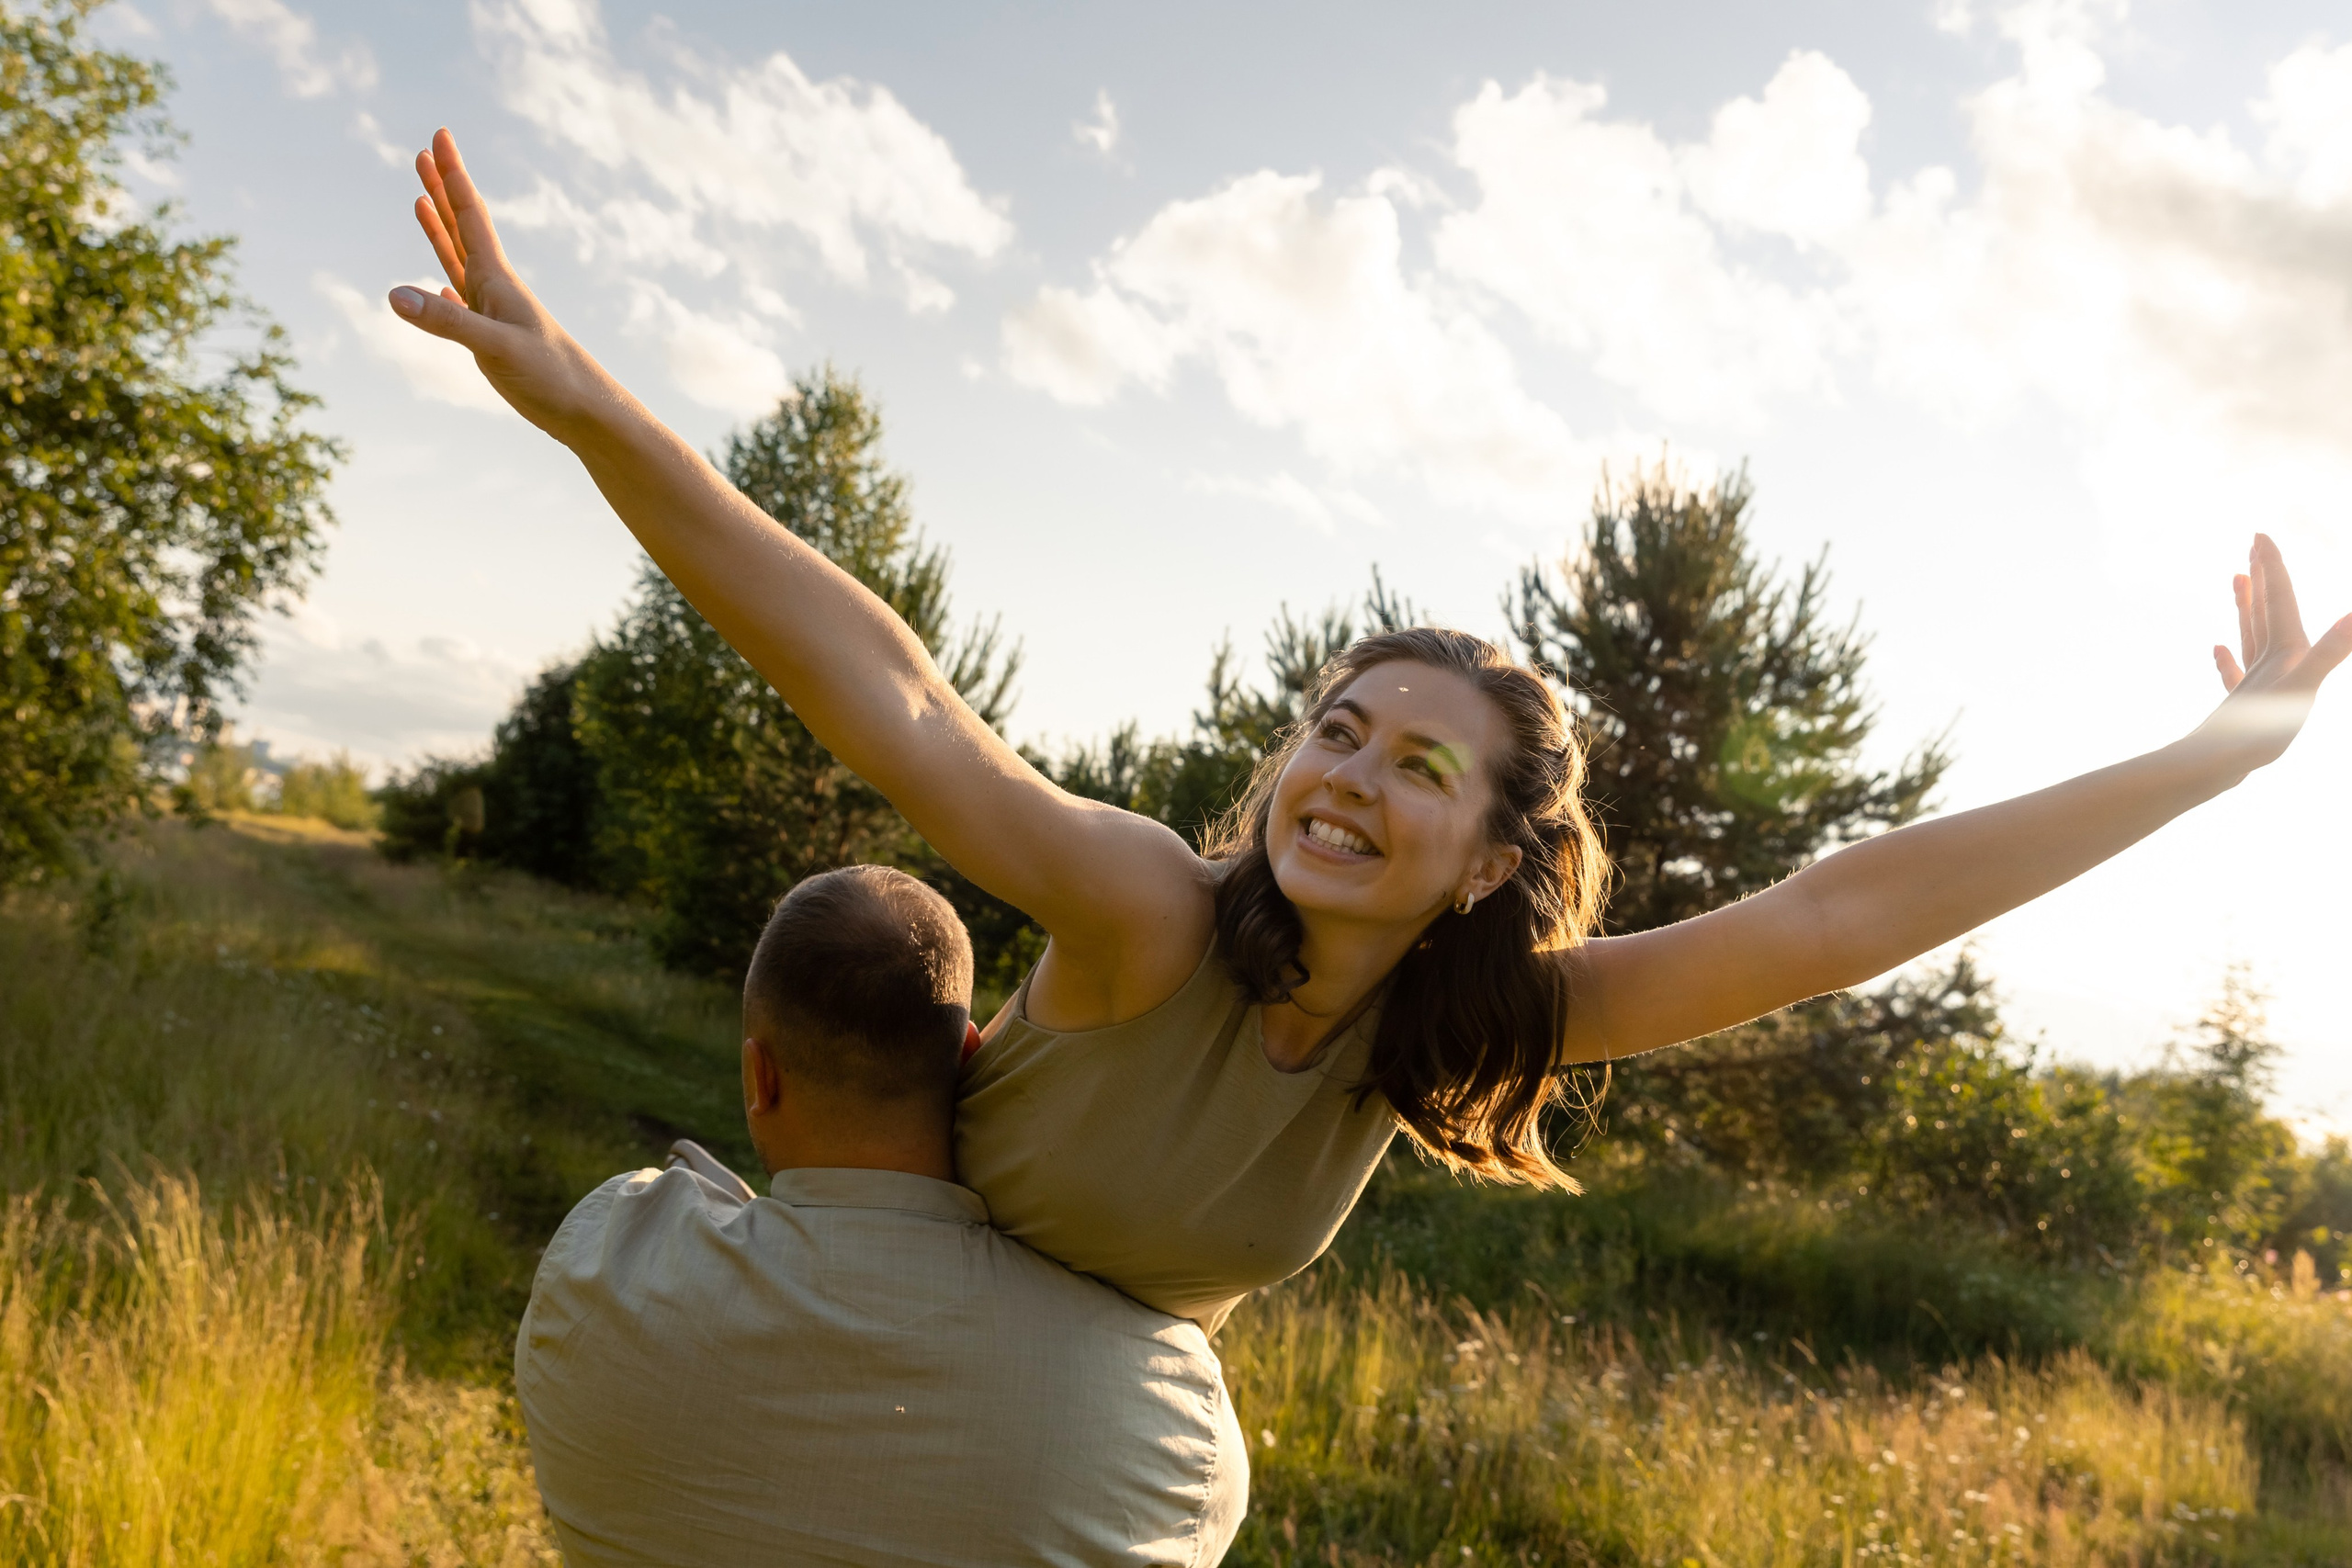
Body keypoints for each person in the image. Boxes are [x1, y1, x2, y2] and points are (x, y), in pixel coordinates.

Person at [392, 129, 2350, 1336]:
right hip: (852, 1324)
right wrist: (591, 413)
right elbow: (895, 696)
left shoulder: (1461, 1022)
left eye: (1419, 766)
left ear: (1495, 856)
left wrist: (2208, 761)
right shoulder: (1147, 908)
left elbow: (1836, 916)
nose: (1344, 773)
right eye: (1333, 730)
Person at [515, 865, 1248, 1567]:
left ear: (757, 1074)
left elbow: (686, 1191)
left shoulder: (600, 1265)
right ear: (966, 1060)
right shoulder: (1173, 1412)